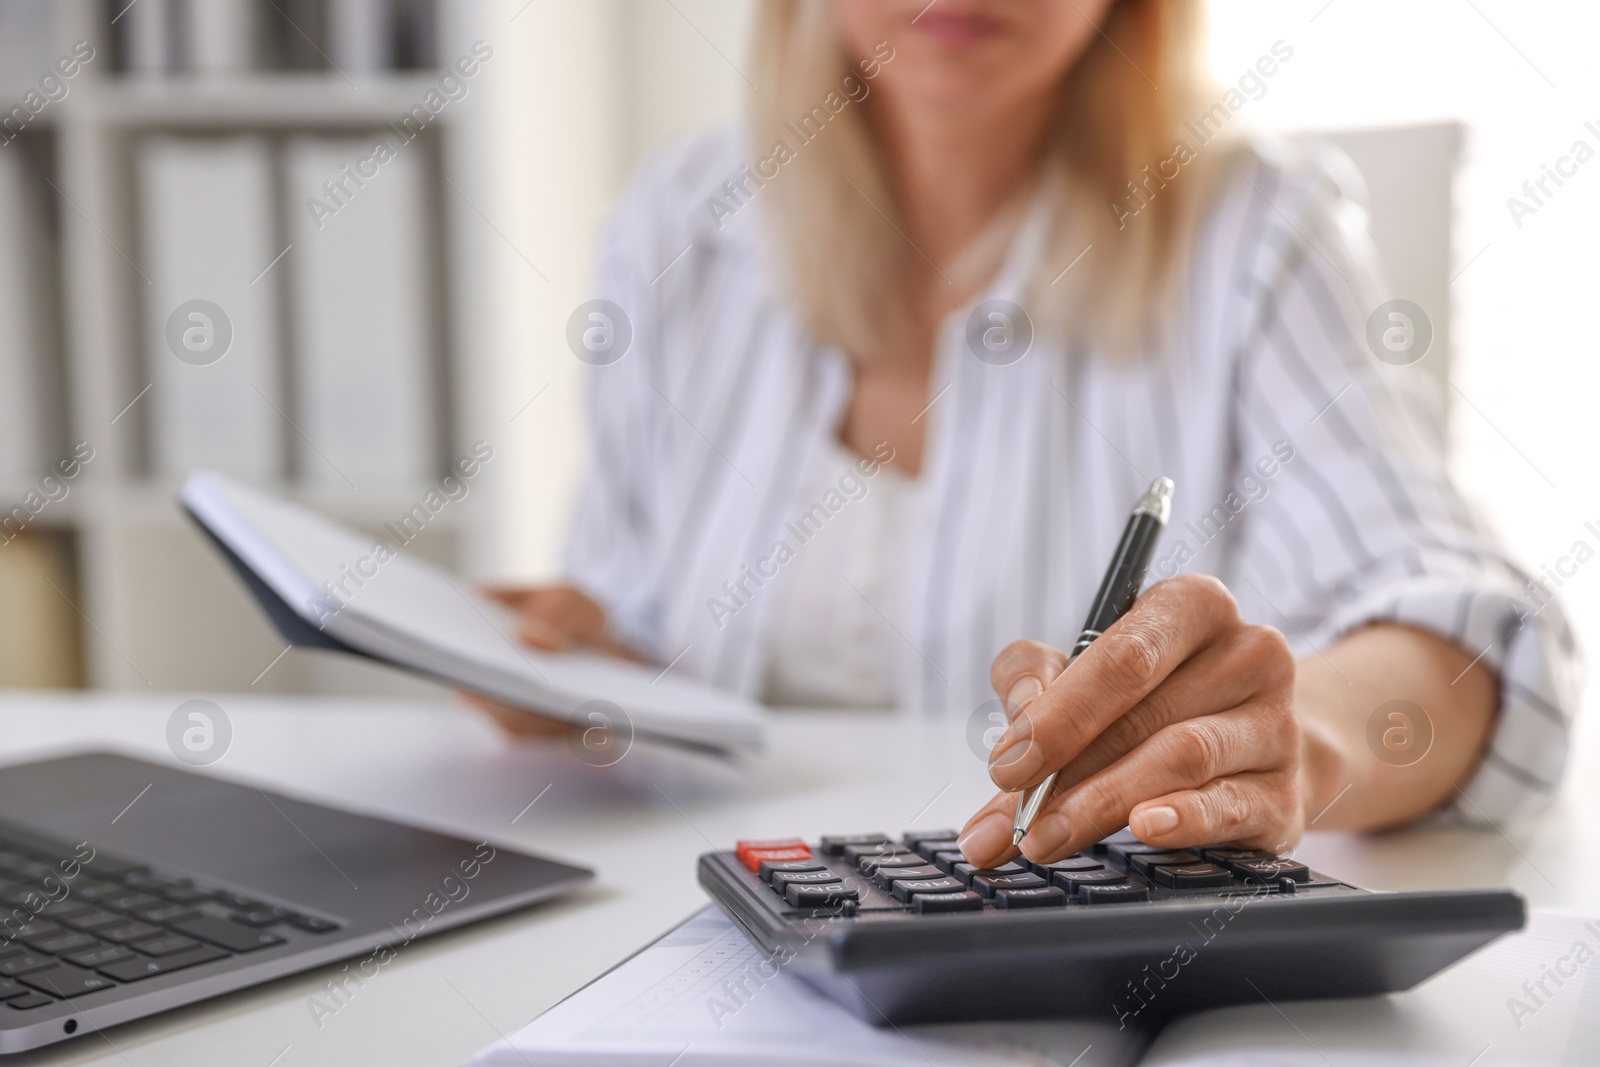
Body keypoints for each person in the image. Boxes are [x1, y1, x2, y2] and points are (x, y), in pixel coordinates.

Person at [473, 0, 1580, 870]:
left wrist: (1303, 737)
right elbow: (642, 622)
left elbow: (1480, 643)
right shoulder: (678, 224)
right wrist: (592, 670)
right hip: (697, 925)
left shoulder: (1257, 231)